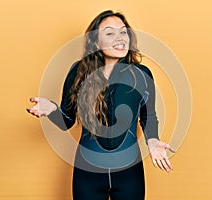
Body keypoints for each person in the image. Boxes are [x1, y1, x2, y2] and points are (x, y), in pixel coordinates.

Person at [26, 10, 175, 200]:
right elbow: (66, 121)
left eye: (123, 32)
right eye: (110, 33)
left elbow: (148, 117)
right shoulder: (79, 72)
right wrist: (52, 109)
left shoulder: (141, 74)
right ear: (96, 42)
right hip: (87, 174)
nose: (119, 38)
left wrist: (152, 141)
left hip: (129, 174)